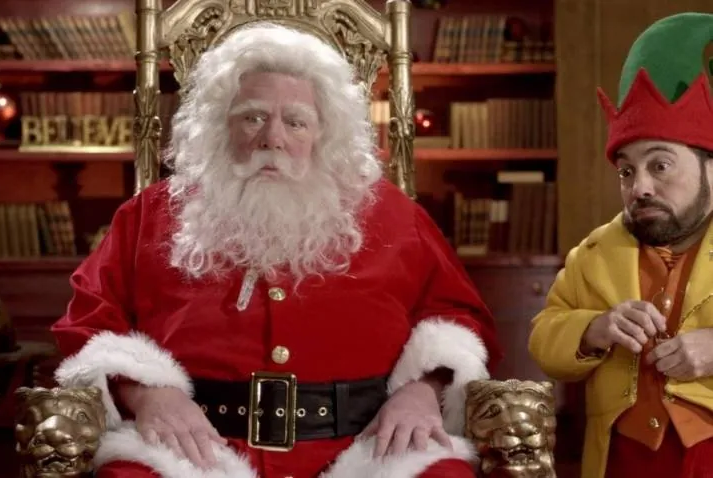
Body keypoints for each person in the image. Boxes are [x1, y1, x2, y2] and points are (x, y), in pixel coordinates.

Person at [50, 22, 502, 478]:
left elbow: (460, 317)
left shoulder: (395, 215)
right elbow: (89, 320)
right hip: (192, 453)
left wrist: (422, 391)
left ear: (325, 132)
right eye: (253, 117)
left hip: (368, 450)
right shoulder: (148, 215)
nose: (273, 137)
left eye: (296, 121)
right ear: (219, 124)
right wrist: (147, 394)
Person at [528, 12, 713, 478]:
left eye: (660, 166)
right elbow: (545, 335)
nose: (639, 187)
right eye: (627, 171)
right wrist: (595, 328)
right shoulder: (592, 255)